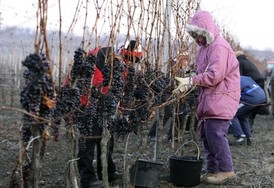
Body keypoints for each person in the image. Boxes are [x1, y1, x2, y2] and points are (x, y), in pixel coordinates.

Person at [173, 10, 241, 184]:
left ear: (207, 31)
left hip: (221, 98)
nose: (197, 38)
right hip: (211, 98)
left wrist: (191, 81)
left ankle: (226, 170)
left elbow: (214, 76)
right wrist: (191, 75)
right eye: (194, 35)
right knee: (206, 134)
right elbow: (202, 72)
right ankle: (212, 170)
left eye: (199, 34)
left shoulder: (219, 46)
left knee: (216, 134)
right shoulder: (204, 48)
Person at [230, 76, 267, 146]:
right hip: (262, 96)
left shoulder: (233, 80)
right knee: (243, 116)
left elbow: (234, 96)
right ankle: (249, 137)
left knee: (231, 114)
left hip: (252, 98)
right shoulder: (245, 77)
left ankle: (240, 137)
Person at [235, 51, 269, 126]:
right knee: (256, 103)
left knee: (250, 102)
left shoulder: (239, 62)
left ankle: (247, 121)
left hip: (254, 84)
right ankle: (249, 121)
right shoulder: (247, 61)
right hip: (258, 82)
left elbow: (238, 77)